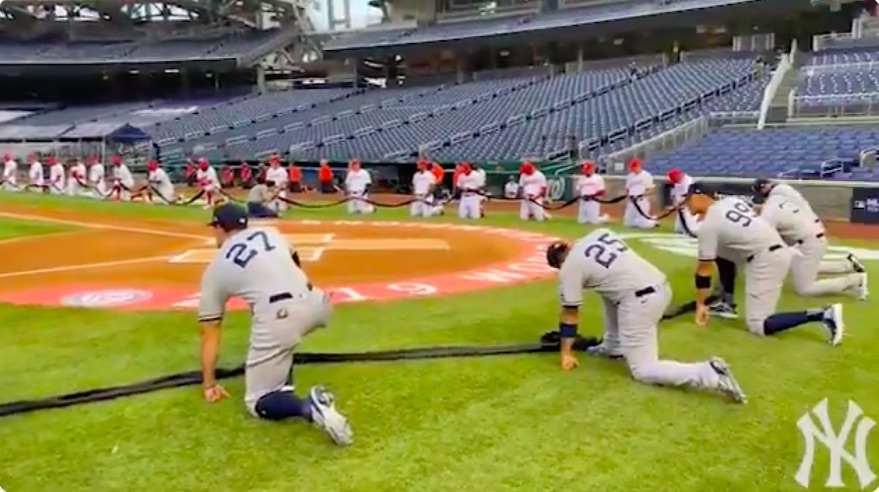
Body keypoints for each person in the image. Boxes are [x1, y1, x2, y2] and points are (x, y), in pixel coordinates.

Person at [197, 203, 352, 445]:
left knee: (257, 401)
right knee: (272, 325)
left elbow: (210, 331)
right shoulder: (270, 233)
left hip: (281, 315)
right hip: (319, 303)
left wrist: (209, 384)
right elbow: (294, 260)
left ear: (219, 227)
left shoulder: (216, 268)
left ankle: (309, 407)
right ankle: (282, 377)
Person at [545, 229, 746, 403]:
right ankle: (613, 346)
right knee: (610, 290)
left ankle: (709, 374)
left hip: (640, 301)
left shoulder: (570, 268)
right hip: (658, 284)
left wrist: (566, 353)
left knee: (643, 369)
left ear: (558, 265)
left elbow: (570, 314)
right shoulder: (599, 233)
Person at [684, 182, 844, 345]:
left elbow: (703, 272)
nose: (686, 203)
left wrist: (700, 305)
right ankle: (727, 300)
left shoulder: (709, 226)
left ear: (700, 195)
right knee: (721, 253)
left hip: (765, 259)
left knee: (757, 324)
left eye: (688, 198)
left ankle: (822, 314)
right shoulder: (731, 202)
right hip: (774, 250)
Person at [753, 193, 867, 299]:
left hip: (809, 243)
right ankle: (846, 265)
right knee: (795, 265)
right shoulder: (777, 199)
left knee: (805, 289)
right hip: (812, 235)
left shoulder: (768, 214)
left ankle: (854, 280)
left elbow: (767, 239)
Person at [623, 158, 657, 229]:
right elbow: (627, 189)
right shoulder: (630, 176)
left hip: (642, 200)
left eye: (634, 167)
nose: (633, 169)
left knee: (643, 225)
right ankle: (647, 218)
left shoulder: (646, 175)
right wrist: (628, 197)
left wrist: (642, 194)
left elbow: (651, 189)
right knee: (627, 223)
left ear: (638, 166)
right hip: (632, 201)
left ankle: (653, 221)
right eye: (632, 167)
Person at [667, 168, 697, 235]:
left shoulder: (688, 181)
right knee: (678, 229)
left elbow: (689, 195)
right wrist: (675, 204)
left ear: (678, 175)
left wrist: (681, 203)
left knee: (689, 224)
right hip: (680, 206)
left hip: (689, 205)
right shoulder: (676, 183)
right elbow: (673, 194)